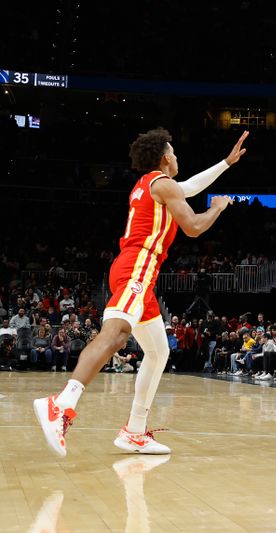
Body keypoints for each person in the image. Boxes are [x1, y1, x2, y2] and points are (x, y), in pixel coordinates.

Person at [34, 128, 248, 457]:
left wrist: (225, 164)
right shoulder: (162, 183)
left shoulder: (149, 184)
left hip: (137, 271)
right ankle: (61, 404)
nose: (177, 158)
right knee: (117, 334)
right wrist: (218, 207)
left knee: (159, 352)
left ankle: (134, 431)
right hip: (138, 268)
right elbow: (192, 226)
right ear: (165, 158)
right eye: (174, 153)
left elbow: (188, 187)